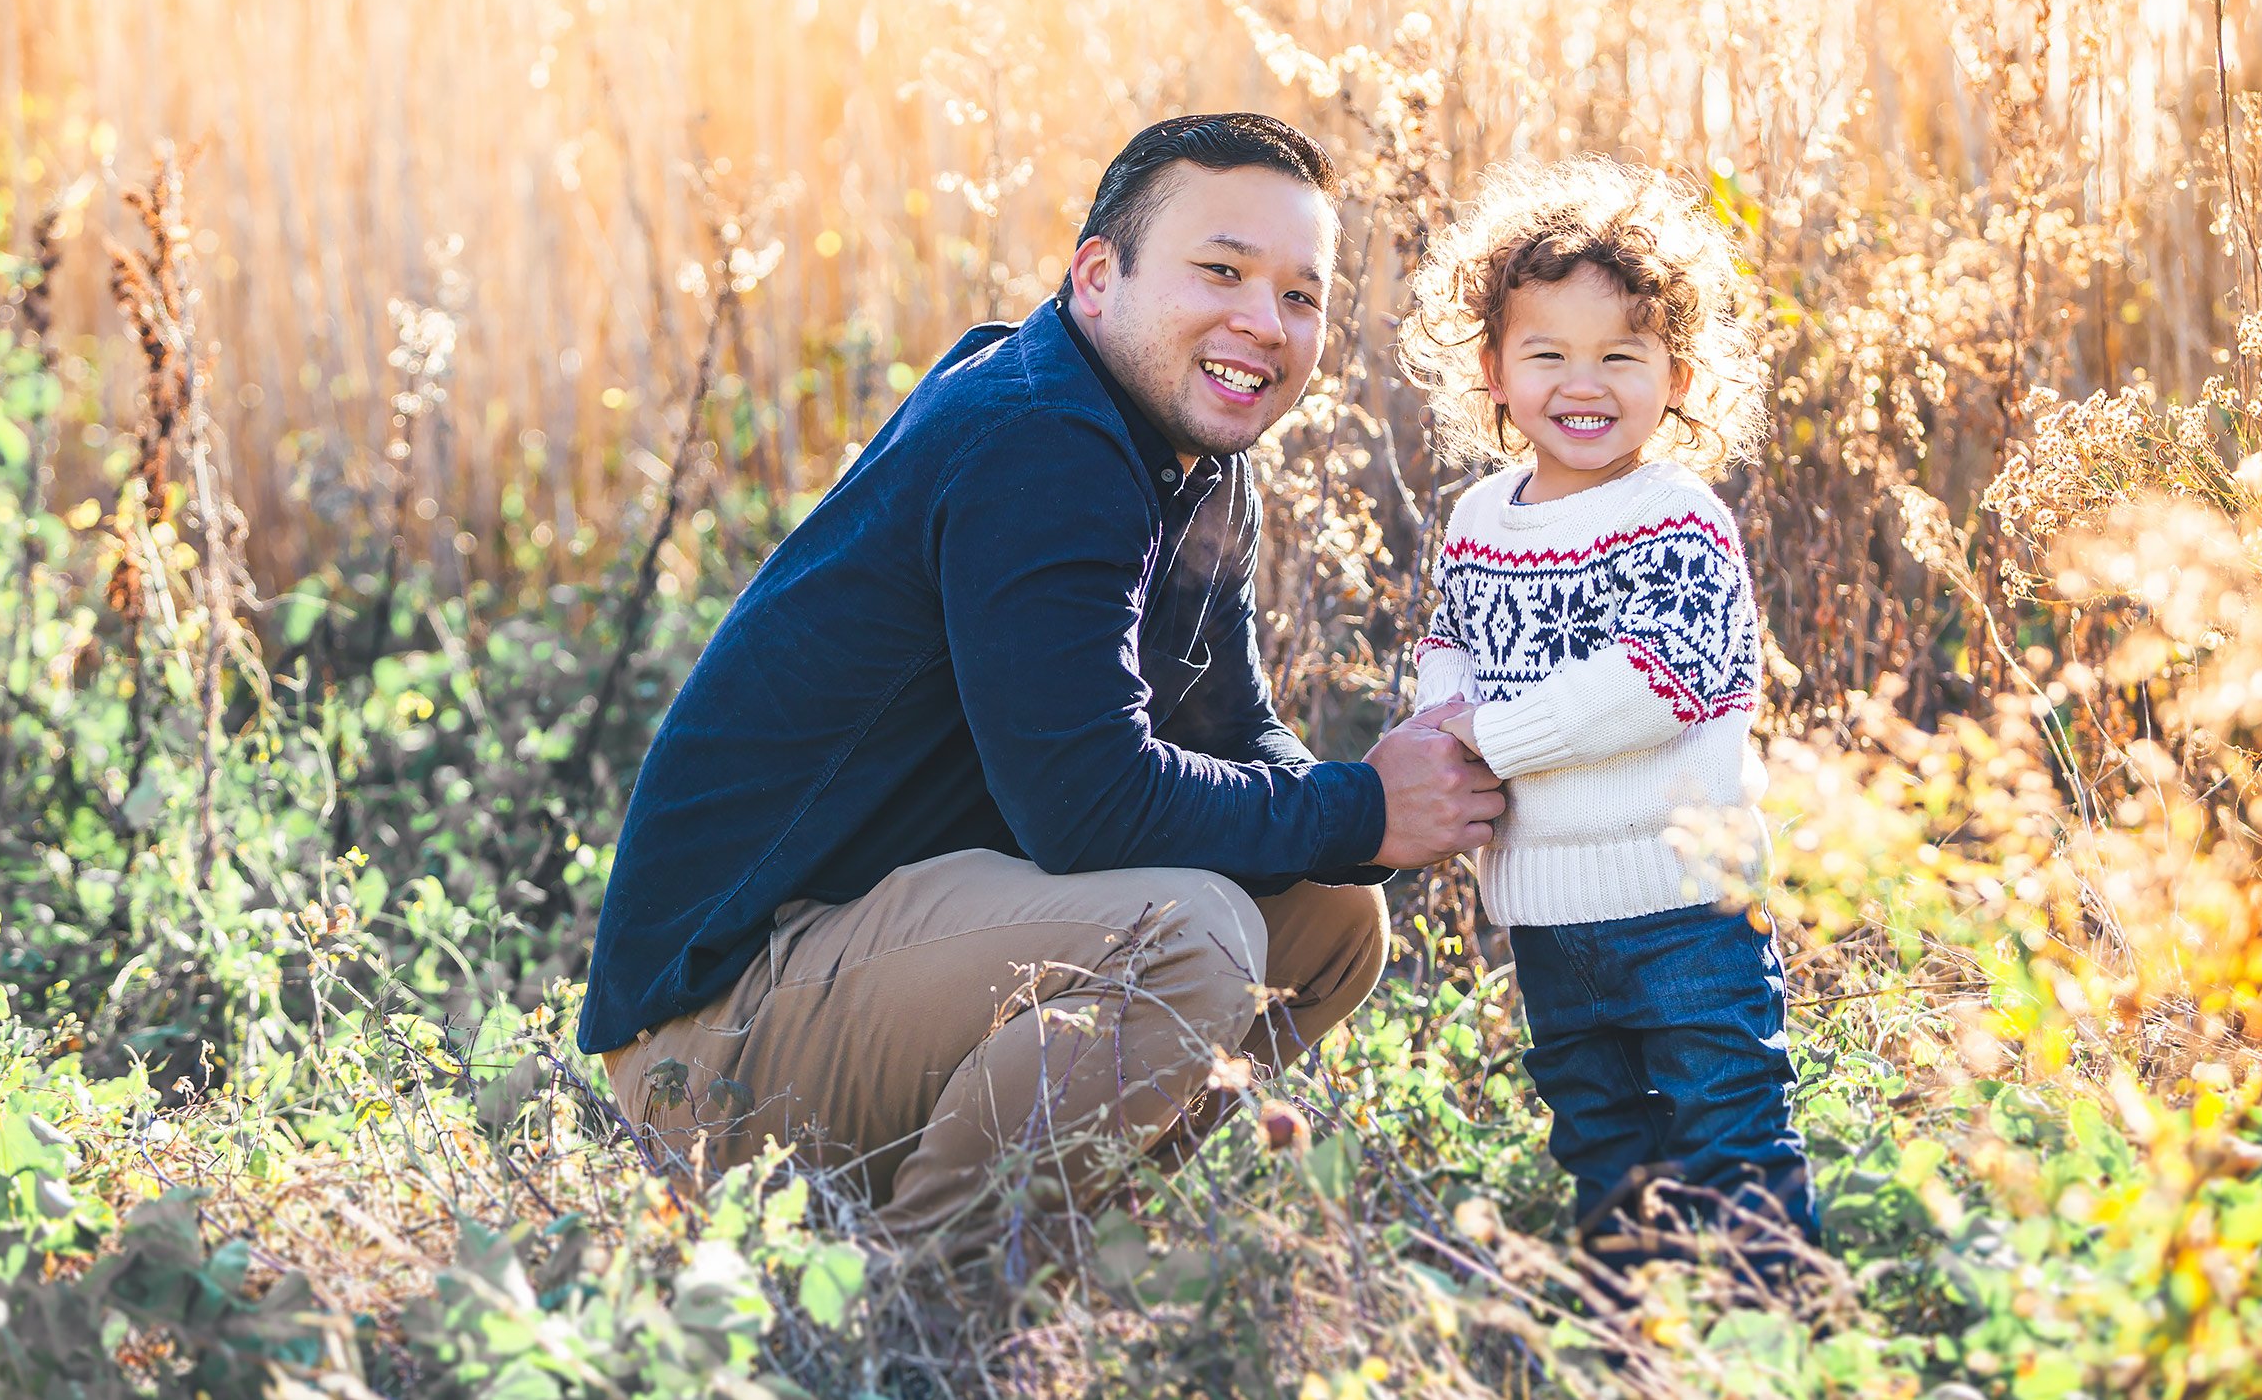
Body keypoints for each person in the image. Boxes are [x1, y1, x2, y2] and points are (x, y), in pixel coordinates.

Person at [577, 112, 1503, 1258]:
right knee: (1195, 938)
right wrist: (1364, 804)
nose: (1263, 323)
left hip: (878, 959)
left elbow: (1231, 729)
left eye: (1301, 296)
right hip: (716, 1029)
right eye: (1221, 270)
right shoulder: (1038, 438)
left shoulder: (1192, 460)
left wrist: (1398, 803)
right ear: (1097, 274)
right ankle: (927, 1315)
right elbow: (1087, 803)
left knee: (1324, 915)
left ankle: (1032, 1247)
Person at [1396, 154, 1816, 1259]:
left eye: (1620, 355)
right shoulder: (1482, 514)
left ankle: (1771, 1328)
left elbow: (1661, 675)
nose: (1582, 384)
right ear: (1492, 369)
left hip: (1683, 898)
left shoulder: (1675, 516)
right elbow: (1455, 639)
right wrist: (1440, 711)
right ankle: (1634, 1329)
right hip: (1545, 905)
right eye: (1547, 354)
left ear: (1676, 373)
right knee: (1600, 1136)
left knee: (1727, 1127)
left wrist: (1484, 736)